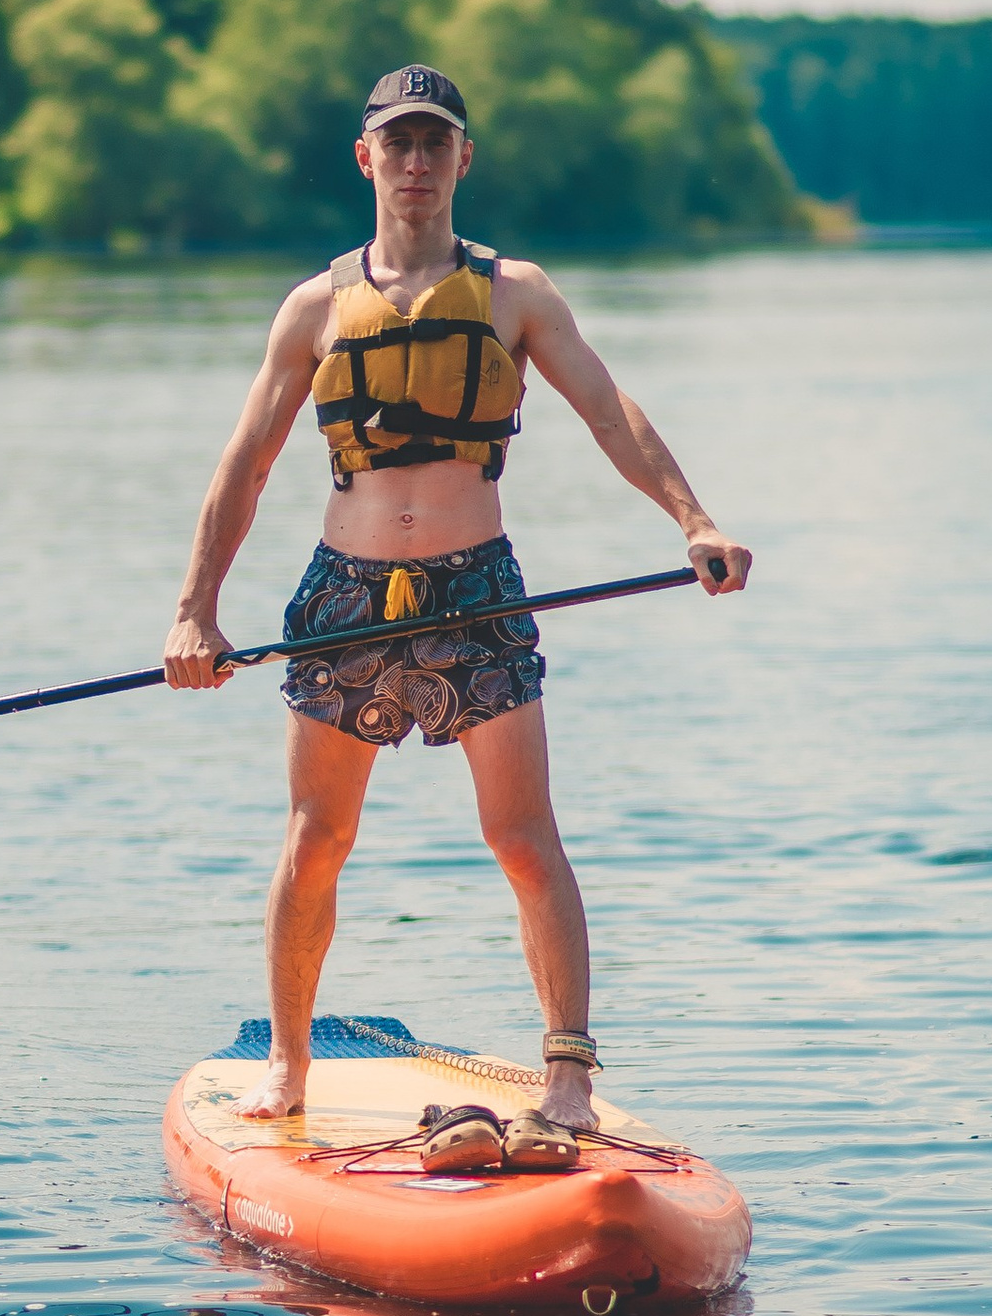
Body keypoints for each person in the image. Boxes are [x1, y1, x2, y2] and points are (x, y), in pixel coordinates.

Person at [164, 61, 749, 1150]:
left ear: (463, 158)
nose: (418, 161)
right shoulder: (312, 307)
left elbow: (610, 412)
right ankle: (290, 1061)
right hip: (344, 598)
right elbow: (242, 464)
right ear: (367, 158)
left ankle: (565, 1072)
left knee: (523, 837)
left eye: (437, 142)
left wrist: (693, 520)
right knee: (318, 835)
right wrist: (196, 609)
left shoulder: (517, 293)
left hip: (476, 591)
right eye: (400, 142)